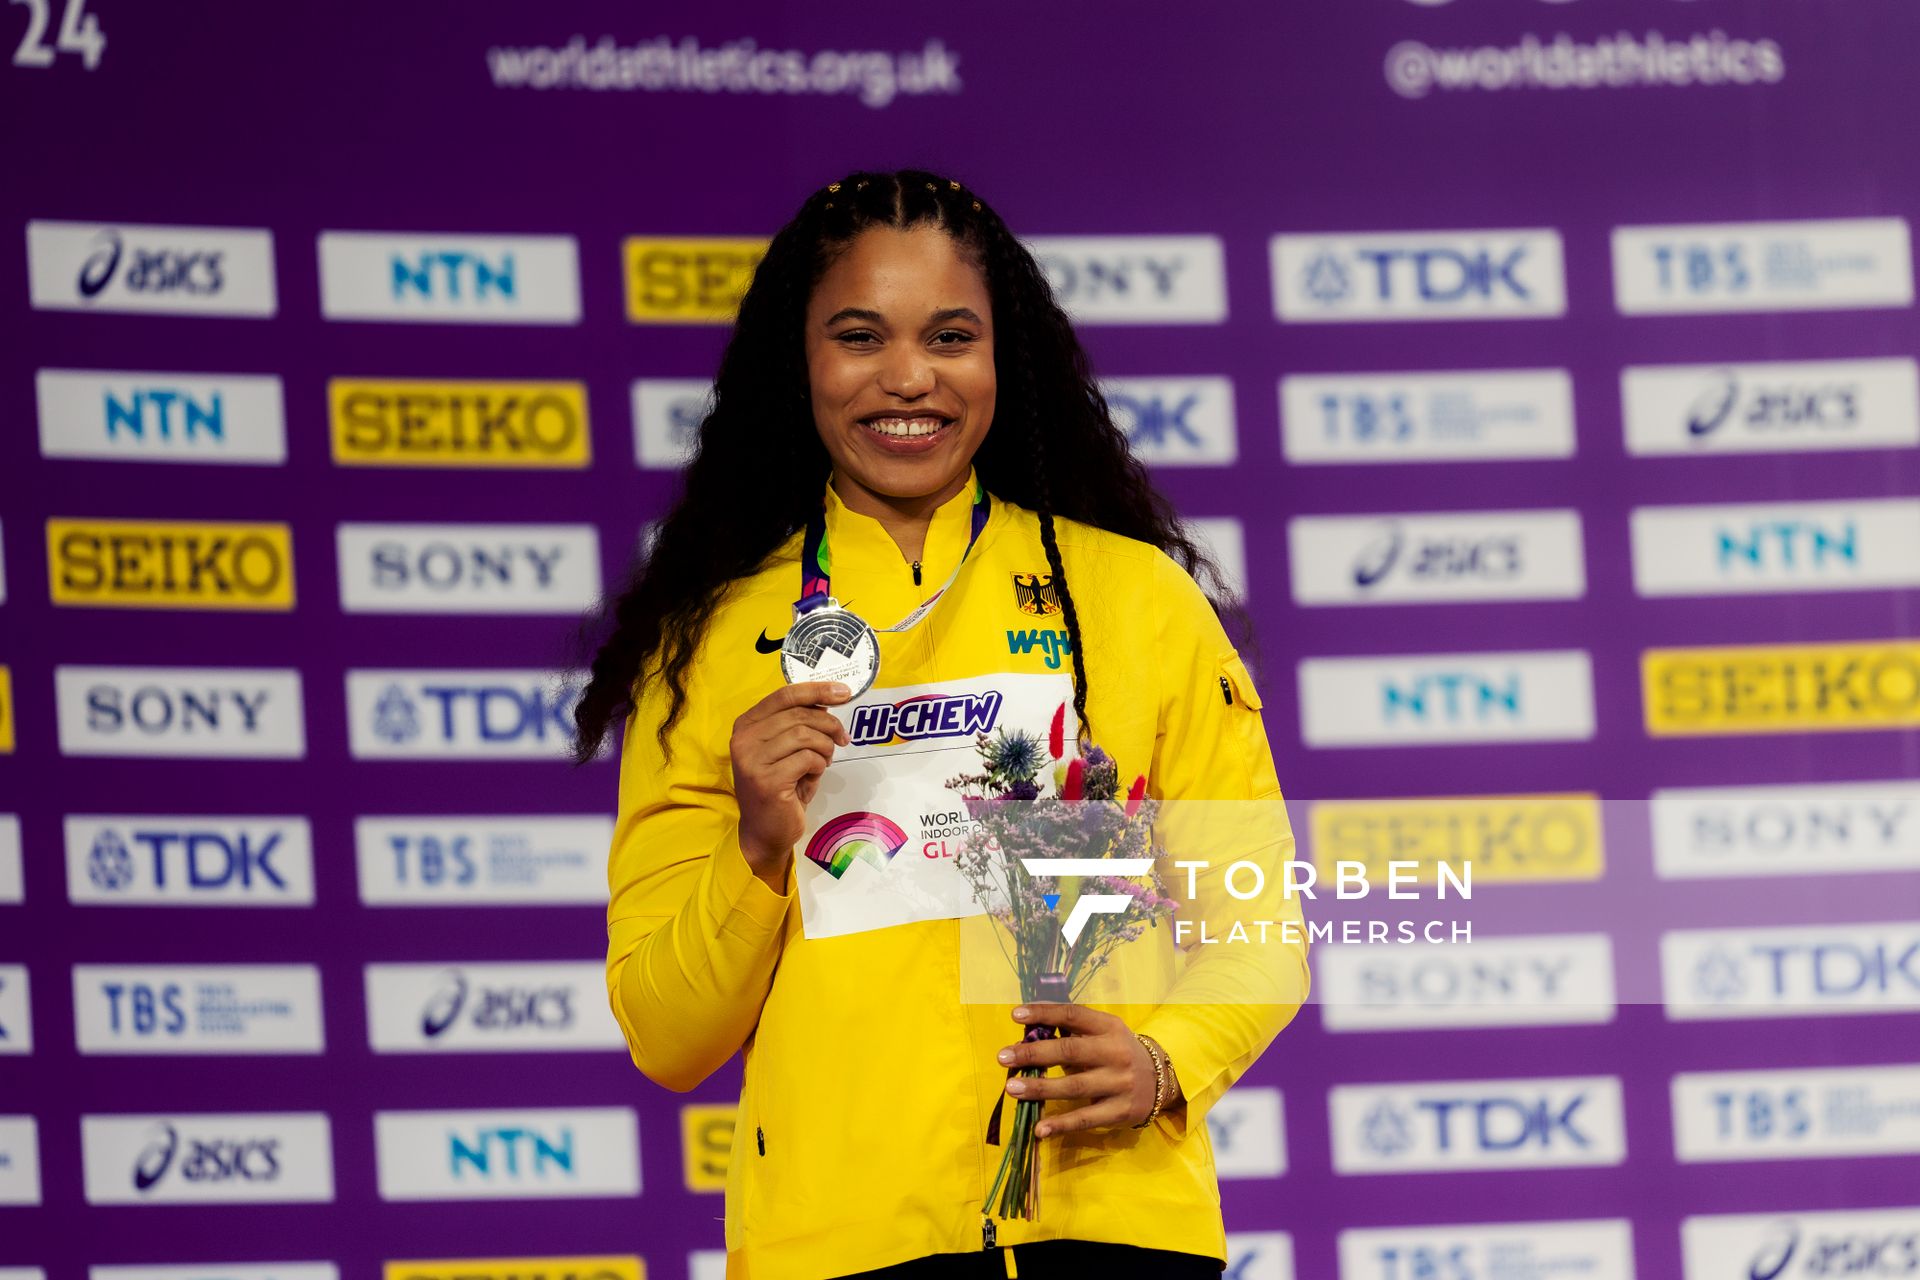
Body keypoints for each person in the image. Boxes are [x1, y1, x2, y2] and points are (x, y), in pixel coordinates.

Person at [574, 169, 1309, 1280]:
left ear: (999, 358)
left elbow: (1257, 923)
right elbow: (667, 1035)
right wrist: (758, 851)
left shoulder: (1135, 598)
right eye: (860, 336)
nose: (908, 377)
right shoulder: (718, 640)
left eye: (951, 335)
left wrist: (1167, 1060)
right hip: (836, 1247)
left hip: (1107, 1224)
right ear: (802, 360)